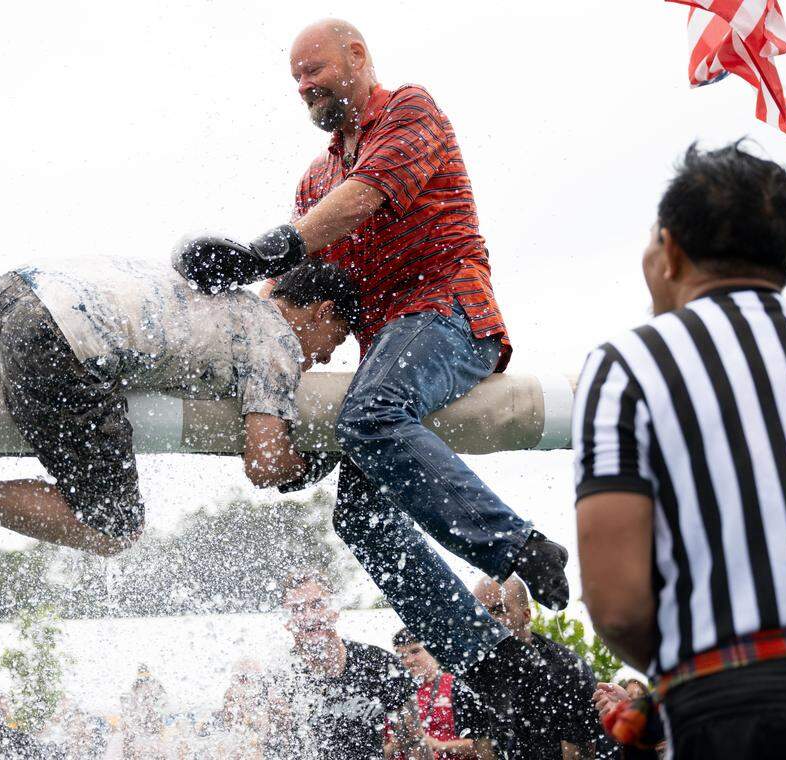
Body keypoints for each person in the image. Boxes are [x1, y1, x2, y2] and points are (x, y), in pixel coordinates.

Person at [173, 17, 568, 738]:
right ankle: (490, 666)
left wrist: (261, 250)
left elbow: (363, 197)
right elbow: (294, 296)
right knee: (357, 516)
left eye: (314, 69)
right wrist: (229, 336)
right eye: (295, 79)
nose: (304, 86)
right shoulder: (313, 179)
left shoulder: (411, 111)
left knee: (369, 411)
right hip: (389, 349)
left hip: (450, 314)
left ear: (358, 56)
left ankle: (516, 548)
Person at [573, 142, 786, 758]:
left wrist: (690, 668)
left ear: (669, 251)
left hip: (737, 706)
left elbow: (615, 603)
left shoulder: (631, 364)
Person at [0, 257, 359, 555]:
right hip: (60, 333)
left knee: (43, 423)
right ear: (322, 311)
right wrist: (314, 461)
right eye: (335, 341)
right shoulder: (278, 339)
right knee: (113, 529)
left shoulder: (229, 302)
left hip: (10, 295)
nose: (325, 357)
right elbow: (265, 463)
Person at [279, 570, 434, 760]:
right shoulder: (282, 676)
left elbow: (414, 741)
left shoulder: (379, 664)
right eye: (297, 609)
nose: (308, 616)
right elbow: (276, 748)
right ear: (286, 621)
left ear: (334, 610)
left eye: (317, 605)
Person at [472, 576, 607, 759]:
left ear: (526, 615)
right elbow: (484, 751)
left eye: (498, 610)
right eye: (480, 612)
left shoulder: (567, 669)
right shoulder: (471, 674)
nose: (487, 622)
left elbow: (578, 756)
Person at [388, 628, 490, 760]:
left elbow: (486, 746)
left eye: (415, 651)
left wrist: (438, 745)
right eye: (401, 655)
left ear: (434, 651)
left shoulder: (459, 687)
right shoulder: (394, 694)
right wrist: (397, 745)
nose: (408, 661)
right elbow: (380, 750)